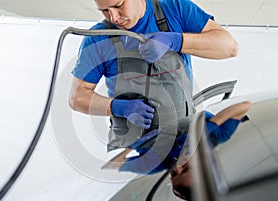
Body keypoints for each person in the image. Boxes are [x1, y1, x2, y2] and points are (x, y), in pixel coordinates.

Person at [69, 0, 238, 151]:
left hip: (182, 141)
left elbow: (229, 47)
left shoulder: (175, 9)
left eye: (118, 6)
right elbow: (77, 97)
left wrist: (177, 41)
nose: (113, 17)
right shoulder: (98, 39)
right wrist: (118, 107)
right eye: (104, 10)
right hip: (131, 149)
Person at [102, 101, 251, 177]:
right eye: (186, 169)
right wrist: (211, 126)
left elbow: (110, 165)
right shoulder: (217, 137)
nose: (177, 168)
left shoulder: (155, 165)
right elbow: (245, 106)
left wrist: (133, 146)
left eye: (173, 174)